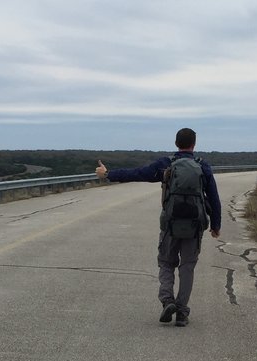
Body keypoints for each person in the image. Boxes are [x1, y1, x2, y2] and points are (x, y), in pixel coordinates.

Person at [95, 128, 221, 327]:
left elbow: (137, 173)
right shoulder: (203, 166)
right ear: (194, 145)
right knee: (187, 267)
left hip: (170, 224)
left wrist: (109, 174)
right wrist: (215, 225)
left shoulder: (166, 165)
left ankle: (167, 301)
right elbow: (213, 197)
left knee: (166, 263)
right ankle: (181, 312)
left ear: (176, 143)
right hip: (194, 227)